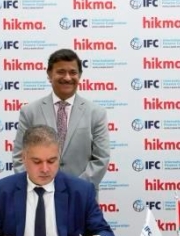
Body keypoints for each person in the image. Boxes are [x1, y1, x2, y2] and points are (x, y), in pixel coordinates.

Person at [0, 125, 115, 236]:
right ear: (23, 158)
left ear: (59, 157)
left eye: (51, 161)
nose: (45, 169)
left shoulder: (81, 190)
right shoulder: (4, 189)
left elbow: (107, 235)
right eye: (37, 162)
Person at [12, 48, 110, 191]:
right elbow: (19, 157)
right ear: (49, 75)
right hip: (39, 195)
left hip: (81, 196)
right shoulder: (29, 112)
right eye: (61, 72)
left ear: (80, 75)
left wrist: (75, 189)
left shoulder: (96, 113)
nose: (67, 78)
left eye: (73, 72)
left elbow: (101, 159)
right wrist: (39, 186)